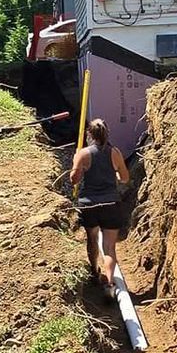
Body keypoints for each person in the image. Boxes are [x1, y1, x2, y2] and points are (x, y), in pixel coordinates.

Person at [70, 117, 131, 296]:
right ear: (107, 133)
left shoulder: (83, 153)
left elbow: (74, 180)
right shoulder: (116, 153)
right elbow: (125, 178)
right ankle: (111, 283)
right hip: (111, 203)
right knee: (109, 248)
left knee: (92, 239)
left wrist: (76, 163)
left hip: (89, 204)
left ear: (89, 134)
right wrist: (117, 177)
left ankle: (94, 272)